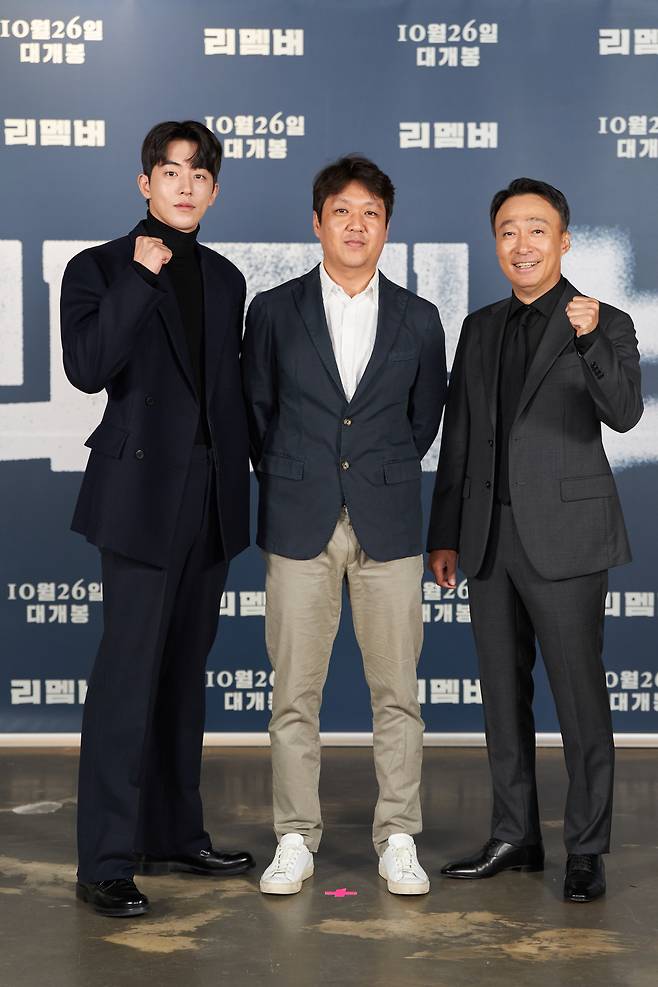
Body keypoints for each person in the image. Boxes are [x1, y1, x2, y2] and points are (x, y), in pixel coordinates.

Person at [427, 177, 643, 902]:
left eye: (537, 229)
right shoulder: (480, 326)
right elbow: (460, 436)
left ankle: (586, 847)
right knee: (501, 695)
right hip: (488, 536)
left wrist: (588, 340)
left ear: (564, 239)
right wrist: (446, 533)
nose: (522, 243)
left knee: (581, 697)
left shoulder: (603, 320)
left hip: (568, 538)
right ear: (497, 243)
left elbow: (623, 412)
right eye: (509, 231)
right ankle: (515, 833)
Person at [61, 120, 254, 917]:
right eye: (168, 171)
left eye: (198, 174)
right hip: (138, 498)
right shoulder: (98, 266)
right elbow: (86, 368)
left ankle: (174, 831)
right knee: (126, 678)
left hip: (210, 497)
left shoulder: (227, 277)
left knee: (184, 675)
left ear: (212, 189)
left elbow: (229, 395)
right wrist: (139, 281)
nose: (183, 185)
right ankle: (105, 857)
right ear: (145, 183)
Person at [242, 155, 447, 897]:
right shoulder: (273, 309)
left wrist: (371, 476)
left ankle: (399, 834)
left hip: (389, 525)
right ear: (317, 221)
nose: (356, 224)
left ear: (386, 226)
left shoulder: (419, 319)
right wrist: (307, 477)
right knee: (294, 692)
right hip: (298, 521)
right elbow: (257, 412)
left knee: (398, 692)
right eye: (342, 211)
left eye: (371, 213)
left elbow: (421, 422)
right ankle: (295, 836)